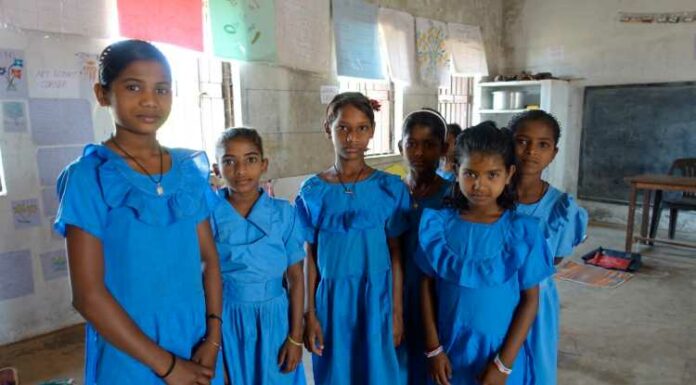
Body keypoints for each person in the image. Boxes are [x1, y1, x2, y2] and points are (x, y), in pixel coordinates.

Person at [55, 39, 223, 384]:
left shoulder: (188, 171)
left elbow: (209, 259)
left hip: (195, 340)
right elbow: (88, 295)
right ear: (103, 94)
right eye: (133, 87)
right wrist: (169, 367)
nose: (150, 100)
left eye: (162, 89)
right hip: (129, 349)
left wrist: (213, 337)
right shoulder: (89, 176)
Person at [418, 122, 554, 385]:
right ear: (457, 171)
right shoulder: (436, 227)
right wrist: (434, 348)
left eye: (492, 175)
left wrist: (503, 365)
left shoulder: (523, 232)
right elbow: (425, 286)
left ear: (509, 173)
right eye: (471, 174)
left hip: (501, 356)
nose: (479, 185)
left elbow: (530, 301)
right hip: (448, 353)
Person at [296, 92, 411, 385]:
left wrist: (397, 311)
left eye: (361, 128)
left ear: (371, 131)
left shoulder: (389, 188)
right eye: (343, 128)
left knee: (378, 372)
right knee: (336, 372)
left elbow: (397, 253)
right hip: (332, 300)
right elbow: (309, 255)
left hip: (377, 296)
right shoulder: (312, 192)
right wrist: (310, 313)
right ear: (328, 129)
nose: (352, 138)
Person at [509, 110, 588, 385]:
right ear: (508, 143)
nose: (531, 151)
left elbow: (553, 259)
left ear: (553, 152)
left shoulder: (562, 209)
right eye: (522, 141)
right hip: (493, 295)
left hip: (537, 301)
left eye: (543, 144)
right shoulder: (489, 194)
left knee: (534, 365)